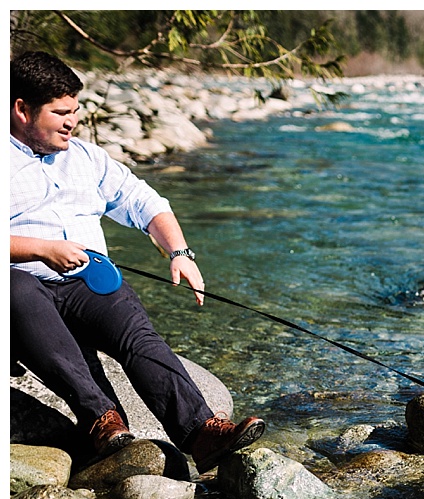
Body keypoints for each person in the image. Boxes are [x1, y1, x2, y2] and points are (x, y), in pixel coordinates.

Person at [10, 50, 265, 473]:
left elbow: (146, 203)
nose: (72, 122)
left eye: (76, 110)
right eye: (60, 113)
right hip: (19, 286)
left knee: (138, 337)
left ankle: (202, 432)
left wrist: (179, 253)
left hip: (87, 280)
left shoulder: (88, 159)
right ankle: (100, 417)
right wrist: (41, 249)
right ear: (21, 109)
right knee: (17, 290)